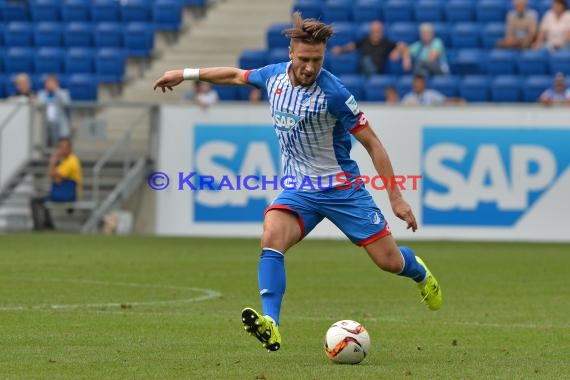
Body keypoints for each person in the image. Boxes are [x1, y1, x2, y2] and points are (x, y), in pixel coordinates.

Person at [153, 12, 442, 352]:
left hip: (342, 191)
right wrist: (184, 74)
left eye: (317, 61)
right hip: (299, 189)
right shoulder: (273, 77)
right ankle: (271, 323)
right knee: (271, 237)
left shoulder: (334, 93)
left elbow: (373, 143)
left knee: (389, 262)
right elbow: (233, 75)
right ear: (291, 52)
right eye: (304, 59)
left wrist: (396, 198)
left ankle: (420, 273)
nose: (309, 67)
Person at [30, 138, 83, 230]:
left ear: (70, 148)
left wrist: (53, 159)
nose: (61, 150)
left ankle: (39, 227)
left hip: (67, 194)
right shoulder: (66, 161)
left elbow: (52, 173)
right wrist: (56, 176)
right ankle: (48, 225)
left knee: (36, 201)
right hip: (65, 192)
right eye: (60, 147)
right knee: (43, 201)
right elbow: (56, 177)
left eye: (63, 147)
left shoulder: (71, 161)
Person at [331, 20, 411, 76]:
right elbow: (352, 46)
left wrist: (398, 52)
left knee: (367, 62)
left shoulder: (386, 43)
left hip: (376, 70)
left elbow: (403, 45)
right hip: (362, 69)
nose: (376, 34)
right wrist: (341, 50)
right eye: (374, 31)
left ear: (382, 32)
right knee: (363, 61)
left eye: (378, 31)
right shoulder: (364, 40)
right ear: (370, 32)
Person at [37, 75, 71, 148]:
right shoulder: (41, 94)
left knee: (60, 147)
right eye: (47, 83)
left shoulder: (63, 93)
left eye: (51, 83)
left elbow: (66, 103)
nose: (49, 85)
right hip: (45, 125)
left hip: (60, 125)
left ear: (57, 83)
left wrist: (56, 91)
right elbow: (39, 106)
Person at [401, 75, 465, 106]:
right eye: (415, 83)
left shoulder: (431, 94)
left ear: (424, 84)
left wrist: (458, 101)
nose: (416, 85)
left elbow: (445, 101)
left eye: (419, 83)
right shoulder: (408, 97)